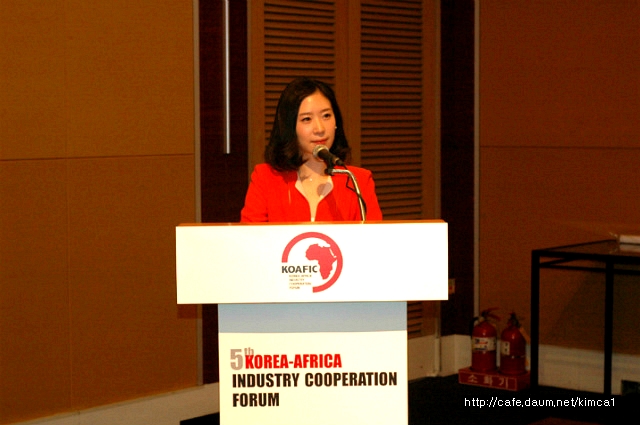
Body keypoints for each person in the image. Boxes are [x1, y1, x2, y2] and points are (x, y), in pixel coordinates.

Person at [240, 77, 383, 222]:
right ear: (289, 127)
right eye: (307, 119)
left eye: (326, 116)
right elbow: (250, 234)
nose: (320, 129)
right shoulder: (265, 179)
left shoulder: (358, 181)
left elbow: (373, 235)